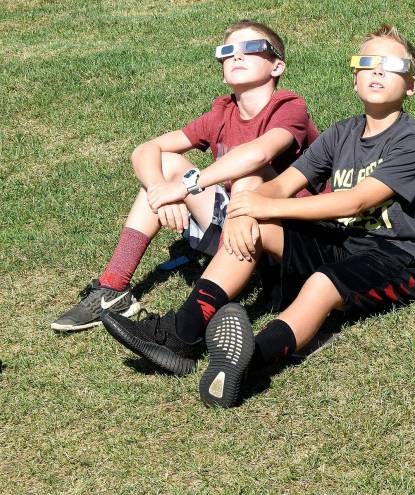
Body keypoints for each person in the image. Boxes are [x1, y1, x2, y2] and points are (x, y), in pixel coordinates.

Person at [102, 24, 415, 408]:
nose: (377, 70)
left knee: (321, 284)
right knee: (256, 224)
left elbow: (355, 201)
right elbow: (280, 185)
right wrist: (245, 209)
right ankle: (181, 336)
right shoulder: (341, 134)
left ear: (412, 85)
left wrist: (263, 206)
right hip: (342, 241)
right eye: (367, 63)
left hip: (399, 256)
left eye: (392, 65)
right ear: (354, 79)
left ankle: (251, 363)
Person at [51, 20, 318, 332]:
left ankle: (209, 305)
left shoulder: (289, 107)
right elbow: (146, 149)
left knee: (250, 174)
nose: (237, 55)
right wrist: (160, 191)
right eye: (227, 51)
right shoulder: (223, 112)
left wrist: (183, 187)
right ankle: (113, 287)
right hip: (238, 225)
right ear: (222, 72)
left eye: (251, 48)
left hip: (291, 234)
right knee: (164, 162)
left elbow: (257, 155)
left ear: (277, 66)